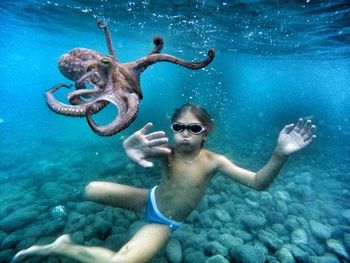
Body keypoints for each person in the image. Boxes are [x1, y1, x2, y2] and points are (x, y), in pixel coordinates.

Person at [13, 103, 317, 263]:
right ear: (172, 130)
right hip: (149, 198)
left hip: (164, 220)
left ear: (206, 132)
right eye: (178, 127)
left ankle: (63, 247)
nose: (185, 133)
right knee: (90, 188)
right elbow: (140, 149)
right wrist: (127, 148)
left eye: (193, 128)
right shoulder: (167, 151)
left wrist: (279, 155)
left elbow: (257, 183)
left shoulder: (215, 162)